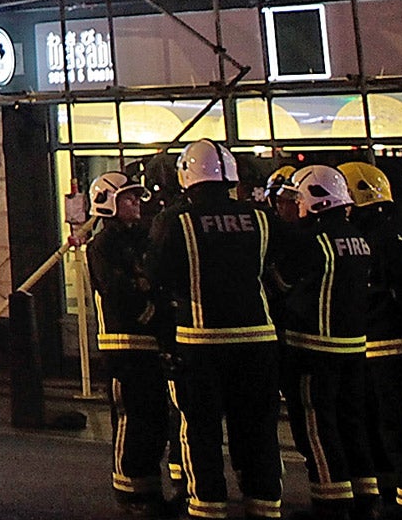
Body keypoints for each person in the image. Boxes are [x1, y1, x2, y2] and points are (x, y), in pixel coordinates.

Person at [148, 139, 283, 520]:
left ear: (187, 177)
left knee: (200, 430)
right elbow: (279, 270)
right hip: (258, 341)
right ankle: (265, 504)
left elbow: (158, 277)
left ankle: (207, 506)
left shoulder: (175, 221)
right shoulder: (260, 219)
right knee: (258, 429)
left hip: (200, 342)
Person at [270, 165, 378, 518]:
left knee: (317, 429)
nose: (294, 205)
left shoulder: (314, 240)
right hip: (353, 349)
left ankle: (331, 501)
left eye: (297, 197)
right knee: (351, 424)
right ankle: (364, 494)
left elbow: (281, 283)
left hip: (314, 350)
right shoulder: (356, 238)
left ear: (314, 201)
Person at [341, 162, 402, 514]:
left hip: (390, 355)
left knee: (401, 437)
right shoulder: (387, 241)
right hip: (386, 355)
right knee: (396, 437)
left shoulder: (371, 243)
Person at [88, 171, 175, 514]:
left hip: (149, 344)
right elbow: (119, 291)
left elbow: (154, 278)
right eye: (127, 198)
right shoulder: (103, 246)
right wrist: (151, 309)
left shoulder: (143, 238)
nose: (136, 204)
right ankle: (129, 493)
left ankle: (149, 491)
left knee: (154, 421)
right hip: (123, 345)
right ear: (109, 204)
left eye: (136, 198)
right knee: (130, 419)